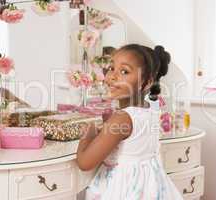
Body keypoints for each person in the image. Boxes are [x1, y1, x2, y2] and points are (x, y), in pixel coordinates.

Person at [76, 44, 183, 200]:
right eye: (111, 68)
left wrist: (88, 133)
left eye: (124, 71)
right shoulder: (151, 111)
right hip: (149, 188)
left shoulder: (122, 118)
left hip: (122, 190)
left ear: (146, 83)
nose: (112, 76)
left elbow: (85, 163)